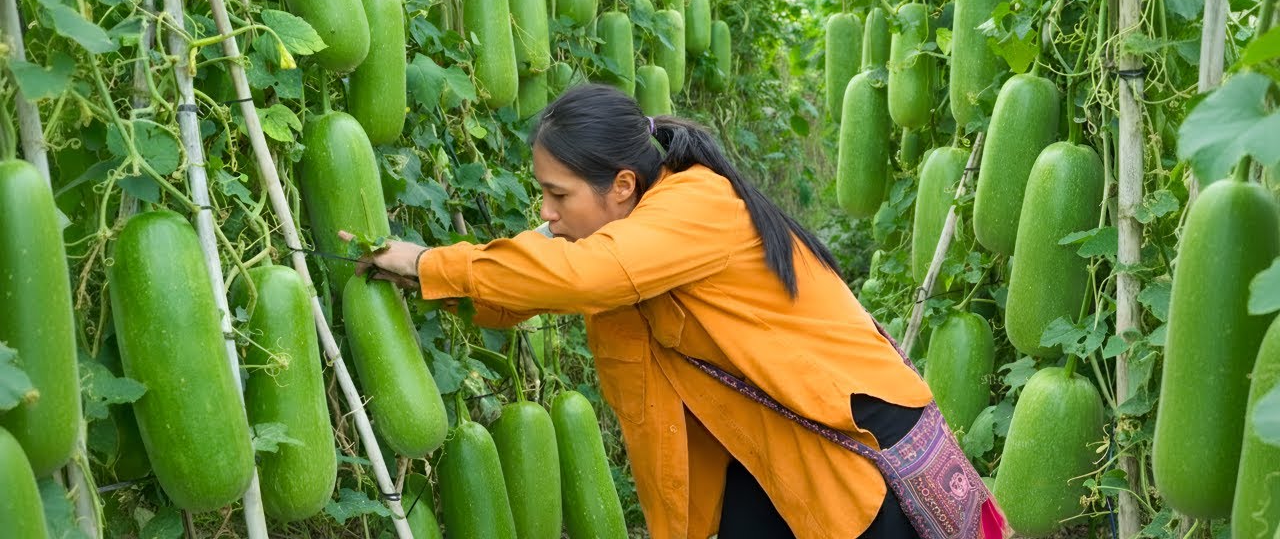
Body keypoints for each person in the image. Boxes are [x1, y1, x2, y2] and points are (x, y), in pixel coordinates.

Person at [345, 84, 994, 539]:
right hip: (768, 437)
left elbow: (585, 276)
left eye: (557, 195)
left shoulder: (693, 207)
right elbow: (542, 276)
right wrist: (446, 285)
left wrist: (431, 262)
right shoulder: (625, 228)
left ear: (622, 185)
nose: (545, 212)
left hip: (854, 434)